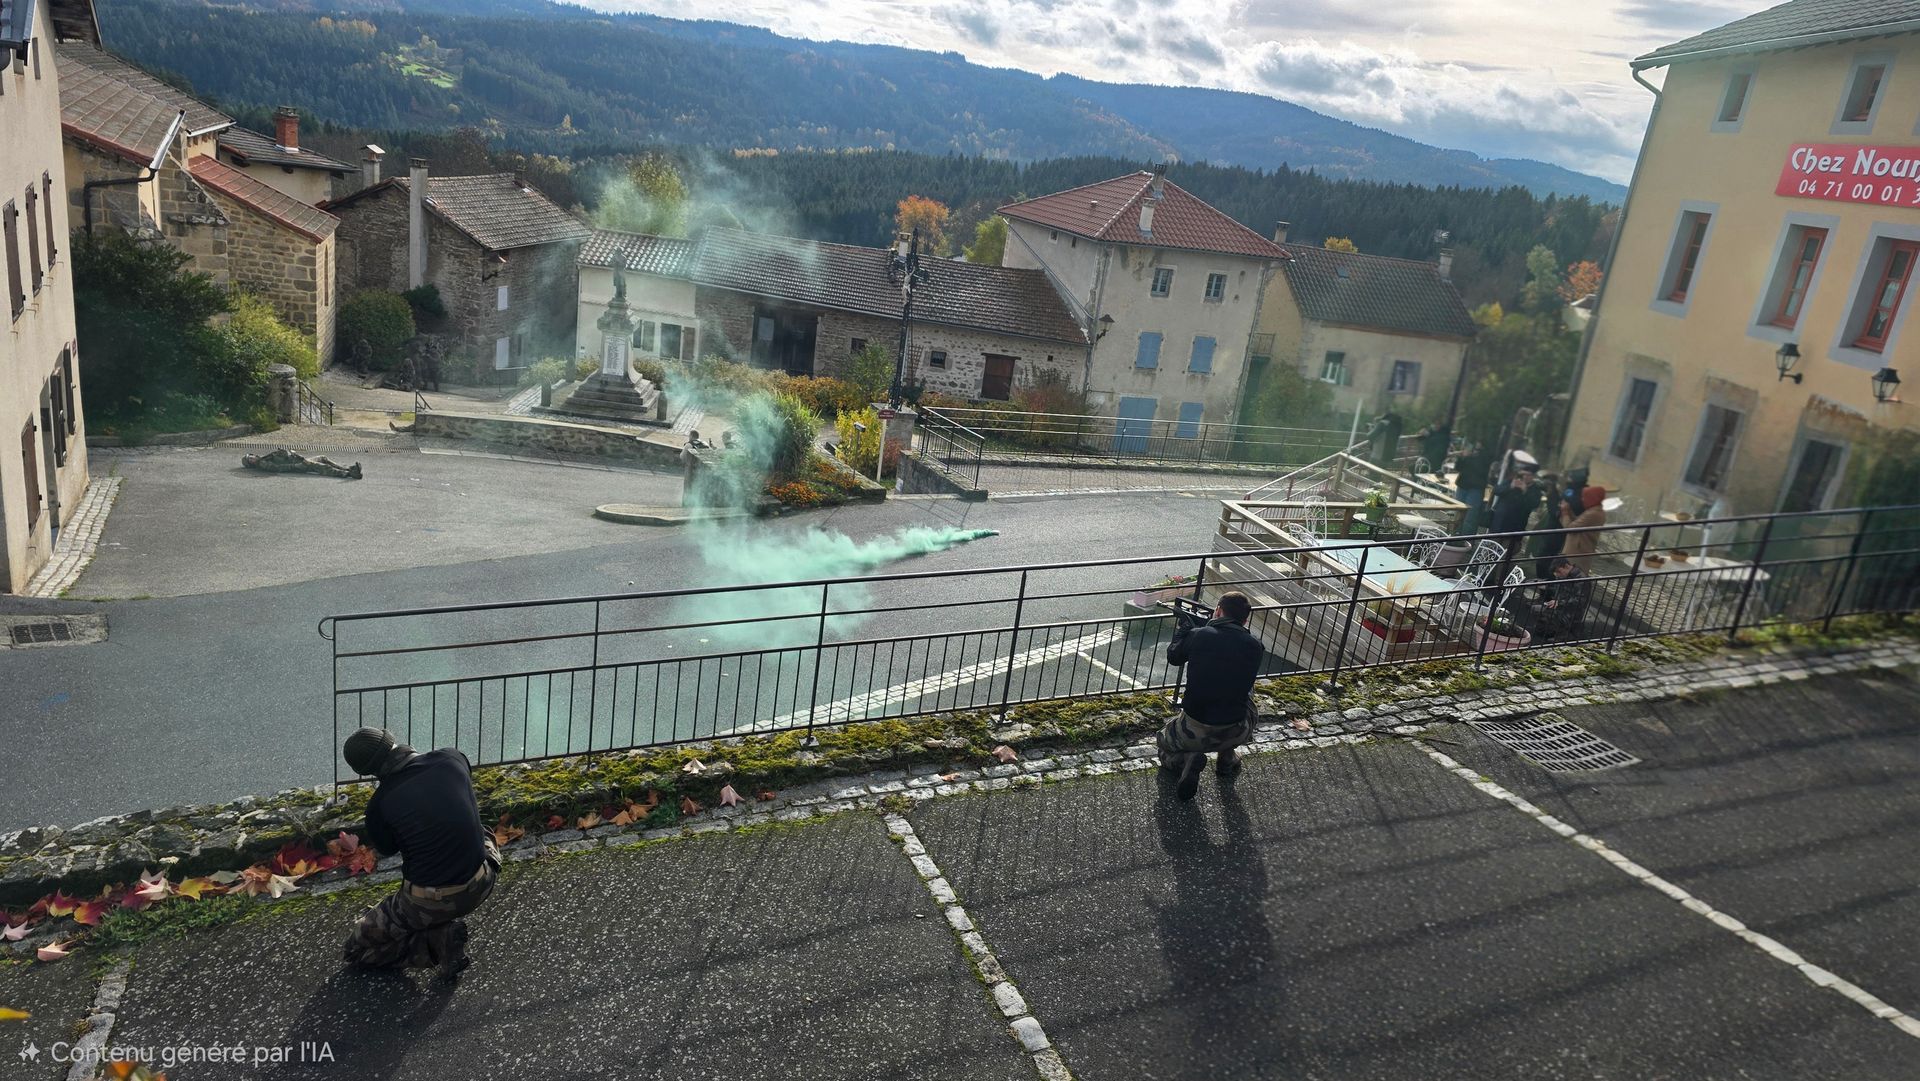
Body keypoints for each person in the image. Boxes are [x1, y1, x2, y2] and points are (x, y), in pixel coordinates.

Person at [340, 728, 499, 980]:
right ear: (391, 739)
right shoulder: (452, 757)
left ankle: (436, 941)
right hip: (484, 878)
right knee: (482, 830)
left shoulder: (379, 806)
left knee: (355, 950)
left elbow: (388, 848)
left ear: (365, 771)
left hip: (429, 902)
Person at [1159, 591, 1264, 802]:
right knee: (1243, 691)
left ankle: (1186, 760)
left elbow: (1174, 657)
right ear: (1245, 620)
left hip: (1193, 728)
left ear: (1218, 611)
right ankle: (1227, 758)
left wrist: (1183, 631)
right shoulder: (1256, 646)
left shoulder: (1199, 635)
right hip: (1238, 728)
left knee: (1163, 744)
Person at [1487, 468, 1542, 582]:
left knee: (1505, 556)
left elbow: (1533, 504)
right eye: (1522, 475)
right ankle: (1486, 576)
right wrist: (1510, 486)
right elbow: (1497, 490)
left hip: (1514, 528)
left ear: (1532, 476)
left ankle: (1499, 581)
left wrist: (1525, 490)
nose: (1524, 477)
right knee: (1492, 552)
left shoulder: (1535, 489)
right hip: (1499, 525)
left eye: (1527, 475)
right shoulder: (1510, 481)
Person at [1527, 557, 1594, 642]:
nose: (1558, 575)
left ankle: (1564, 635)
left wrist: (1560, 602)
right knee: (1535, 609)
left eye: (1559, 571)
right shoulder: (1563, 576)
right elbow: (1557, 589)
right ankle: (1547, 630)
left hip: (1571, 611)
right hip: (1560, 606)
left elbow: (1579, 600)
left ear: (1566, 566)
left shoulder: (1581, 579)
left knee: (1548, 613)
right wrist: (1545, 587)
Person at [1559, 485, 1608, 572]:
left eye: (1585, 497)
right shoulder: (1594, 510)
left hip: (1578, 551)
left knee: (1571, 573)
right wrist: (1569, 511)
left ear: (1592, 498)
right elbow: (1578, 523)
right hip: (1580, 549)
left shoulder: (1593, 513)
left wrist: (1565, 512)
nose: (1582, 499)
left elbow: (1569, 528)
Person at [1451, 442, 1491, 532]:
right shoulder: (1469, 447)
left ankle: (1465, 539)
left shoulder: (1487, 454)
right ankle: (1454, 536)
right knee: (1457, 514)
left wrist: (1471, 456)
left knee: (1470, 517)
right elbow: (1458, 468)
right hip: (1462, 485)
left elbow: (1483, 471)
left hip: (1476, 489)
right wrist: (1462, 457)